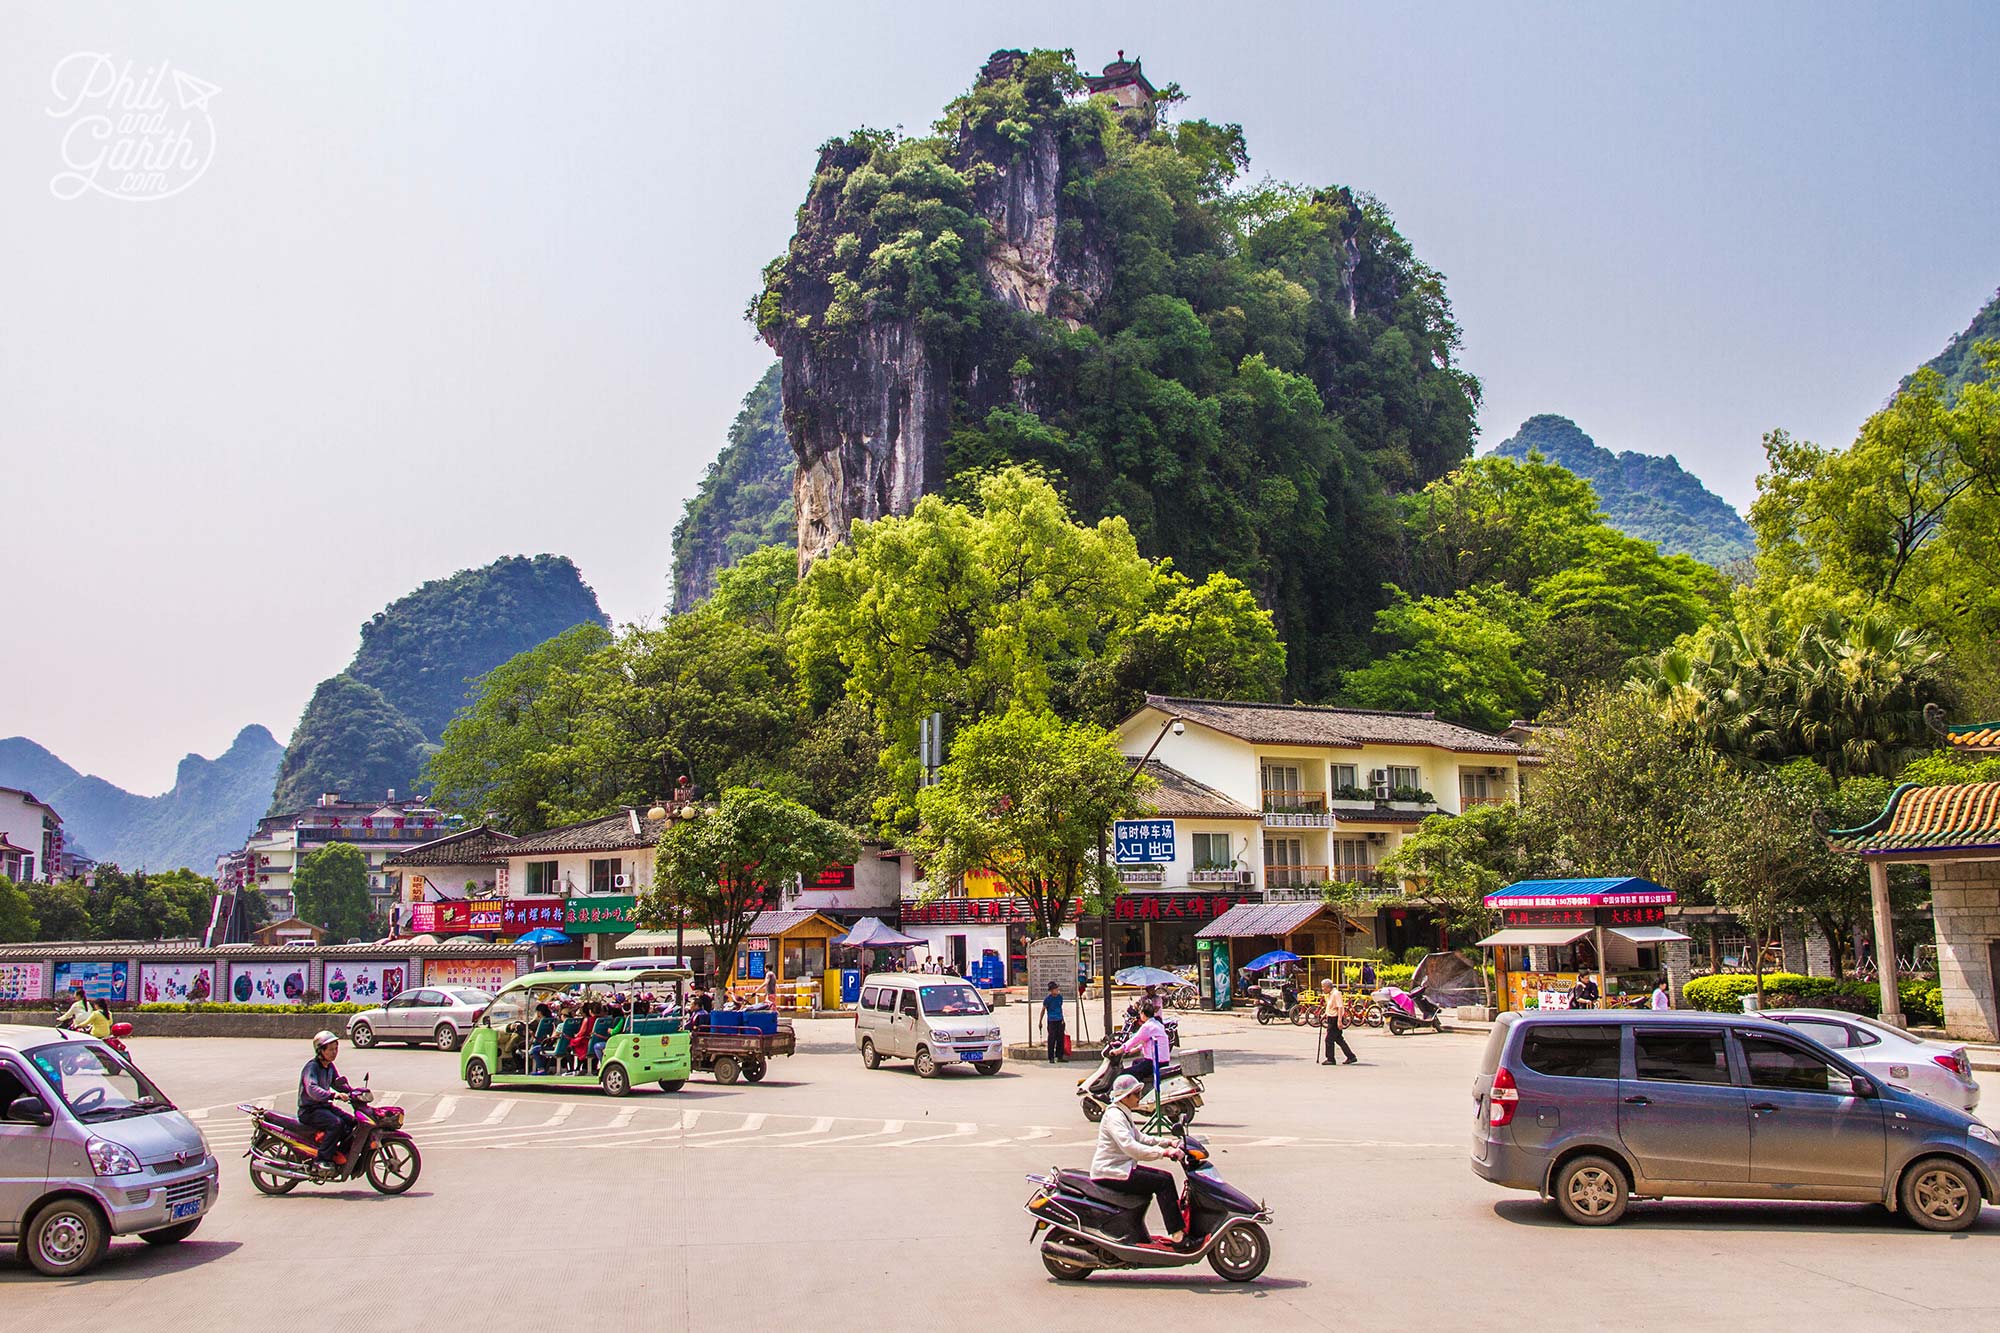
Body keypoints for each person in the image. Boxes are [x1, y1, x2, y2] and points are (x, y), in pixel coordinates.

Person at [1090, 1074, 1185, 1245]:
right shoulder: (1115, 1117)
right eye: (1136, 1094)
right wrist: (1163, 1153)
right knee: (1163, 1182)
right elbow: (1131, 1147)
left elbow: (1140, 1137)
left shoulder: (1122, 1113)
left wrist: (1168, 1141)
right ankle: (1177, 1234)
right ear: (1125, 1097)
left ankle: (1174, 1230)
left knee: (1164, 1178)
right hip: (1111, 1171)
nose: (1139, 1097)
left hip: (1123, 1168)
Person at [298, 1031, 357, 1167]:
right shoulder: (312, 1067)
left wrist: (353, 1092)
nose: (334, 1052)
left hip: (323, 1107)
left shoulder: (329, 1066)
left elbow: (337, 1082)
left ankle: (340, 1154)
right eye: (330, 1049)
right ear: (321, 1051)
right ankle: (322, 1159)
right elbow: (312, 1089)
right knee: (336, 1124)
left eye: (336, 1049)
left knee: (351, 1122)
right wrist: (332, 1095)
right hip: (310, 1111)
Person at [1115, 997, 1172, 1088]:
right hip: (1162, 1061)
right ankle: (1141, 1088)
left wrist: (1119, 1050)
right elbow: (1148, 1041)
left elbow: (1135, 1040)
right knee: (1136, 1062)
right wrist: (1135, 1050)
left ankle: (1115, 1095)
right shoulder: (1157, 1024)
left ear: (1143, 1014)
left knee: (1124, 1074)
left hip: (1154, 1062)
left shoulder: (1147, 1026)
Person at [1321, 984, 1357, 1065]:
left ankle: (1330, 1059)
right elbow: (1330, 1006)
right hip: (1331, 1017)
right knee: (1339, 1039)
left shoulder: (1336, 993)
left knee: (1329, 1039)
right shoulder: (1329, 994)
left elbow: (1340, 1007)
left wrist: (1339, 1021)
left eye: (1324, 987)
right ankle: (1351, 1056)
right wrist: (1325, 1015)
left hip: (1335, 1018)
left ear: (1328, 987)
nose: (1323, 989)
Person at [1042, 982, 1067, 1064]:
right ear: (1051, 990)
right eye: (1055, 989)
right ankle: (1051, 1057)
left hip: (1059, 1020)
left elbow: (1060, 1008)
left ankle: (1060, 1056)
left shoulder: (1060, 997)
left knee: (1060, 1039)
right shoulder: (1048, 999)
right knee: (1051, 1040)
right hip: (1052, 1020)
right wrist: (1040, 1021)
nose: (1057, 990)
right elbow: (1043, 1010)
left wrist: (1063, 1019)